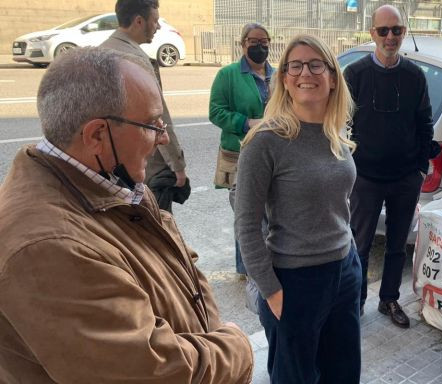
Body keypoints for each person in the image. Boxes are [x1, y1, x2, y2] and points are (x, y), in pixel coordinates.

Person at [0, 47, 253, 383]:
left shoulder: (114, 183)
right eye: (150, 124)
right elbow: (148, 372)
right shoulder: (46, 246)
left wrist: (212, 333)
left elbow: (185, 267)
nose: (163, 137)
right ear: (96, 136)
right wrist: (234, 349)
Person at [235, 34, 361, 383]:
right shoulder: (265, 142)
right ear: (285, 80)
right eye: (295, 65)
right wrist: (271, 291)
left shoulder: (335, 133)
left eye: (316, 64)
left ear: (333, 77)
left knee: (344, 374)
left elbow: (339, 204)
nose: (306, 72)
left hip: (344, 270)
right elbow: (246, 226)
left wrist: (351, 263)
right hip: (295, 280)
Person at [344, 4, 436, 328]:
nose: (390, 37)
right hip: (365, 178)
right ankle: (354, 303)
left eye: (396, 30)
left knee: (397, 245)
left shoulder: (414, 76)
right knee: (360, 245)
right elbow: (340, 124)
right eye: (383, 30)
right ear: (372, 34)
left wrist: (420, 168)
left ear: (403, 33)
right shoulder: (354, 74)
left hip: (404, 179)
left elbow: (425, 123)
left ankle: (389, 299)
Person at [101, 0, 187, 212]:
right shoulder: (136, 61)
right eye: (155, 21)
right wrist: (177, 166)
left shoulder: (99, 53)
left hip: (110, 165)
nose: (158, 27)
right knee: (156, 229)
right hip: (144, 166)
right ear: (139, 21)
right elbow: (159, 118)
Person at [209, 22, 274, 278]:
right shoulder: (228, 75)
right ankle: (246, 269)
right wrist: (246, 122)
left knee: (269, 210)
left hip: (270, 154)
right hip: (239, 152)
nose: (259, 47)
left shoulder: (277, 75)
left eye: (264, 42)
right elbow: (215, 112)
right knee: (247, 214)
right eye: (253, 42)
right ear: (243, 43)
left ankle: (268, 262)